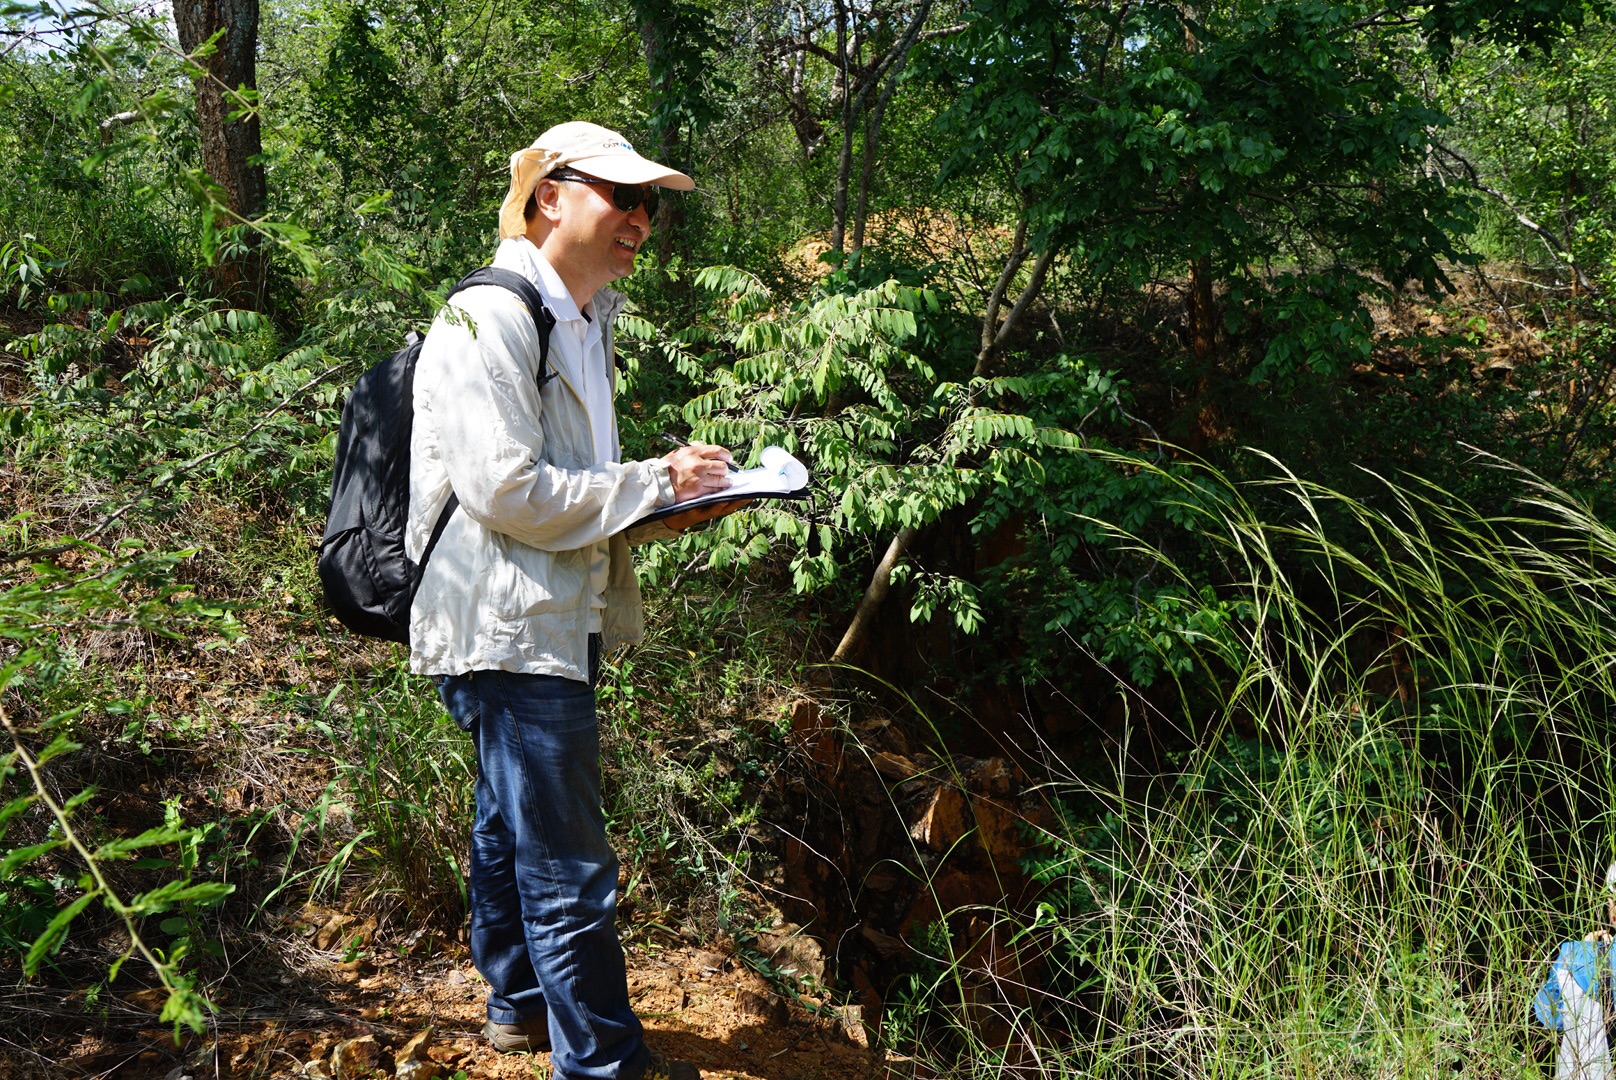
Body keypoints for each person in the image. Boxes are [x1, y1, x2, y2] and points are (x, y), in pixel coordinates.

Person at [405, 121, 743, 1079]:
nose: (641, 217)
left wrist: (662, 508)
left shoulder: (582, 320)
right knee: (568, 865)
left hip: (549, 612)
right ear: (550, 194)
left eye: (651, 204)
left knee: (511, 825)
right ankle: (603, 1066)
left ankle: (516, 1004)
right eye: (621, 195)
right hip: (507, 624)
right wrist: (651, 482)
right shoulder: (491, 316)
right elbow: (505, 490)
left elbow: (569, 489)